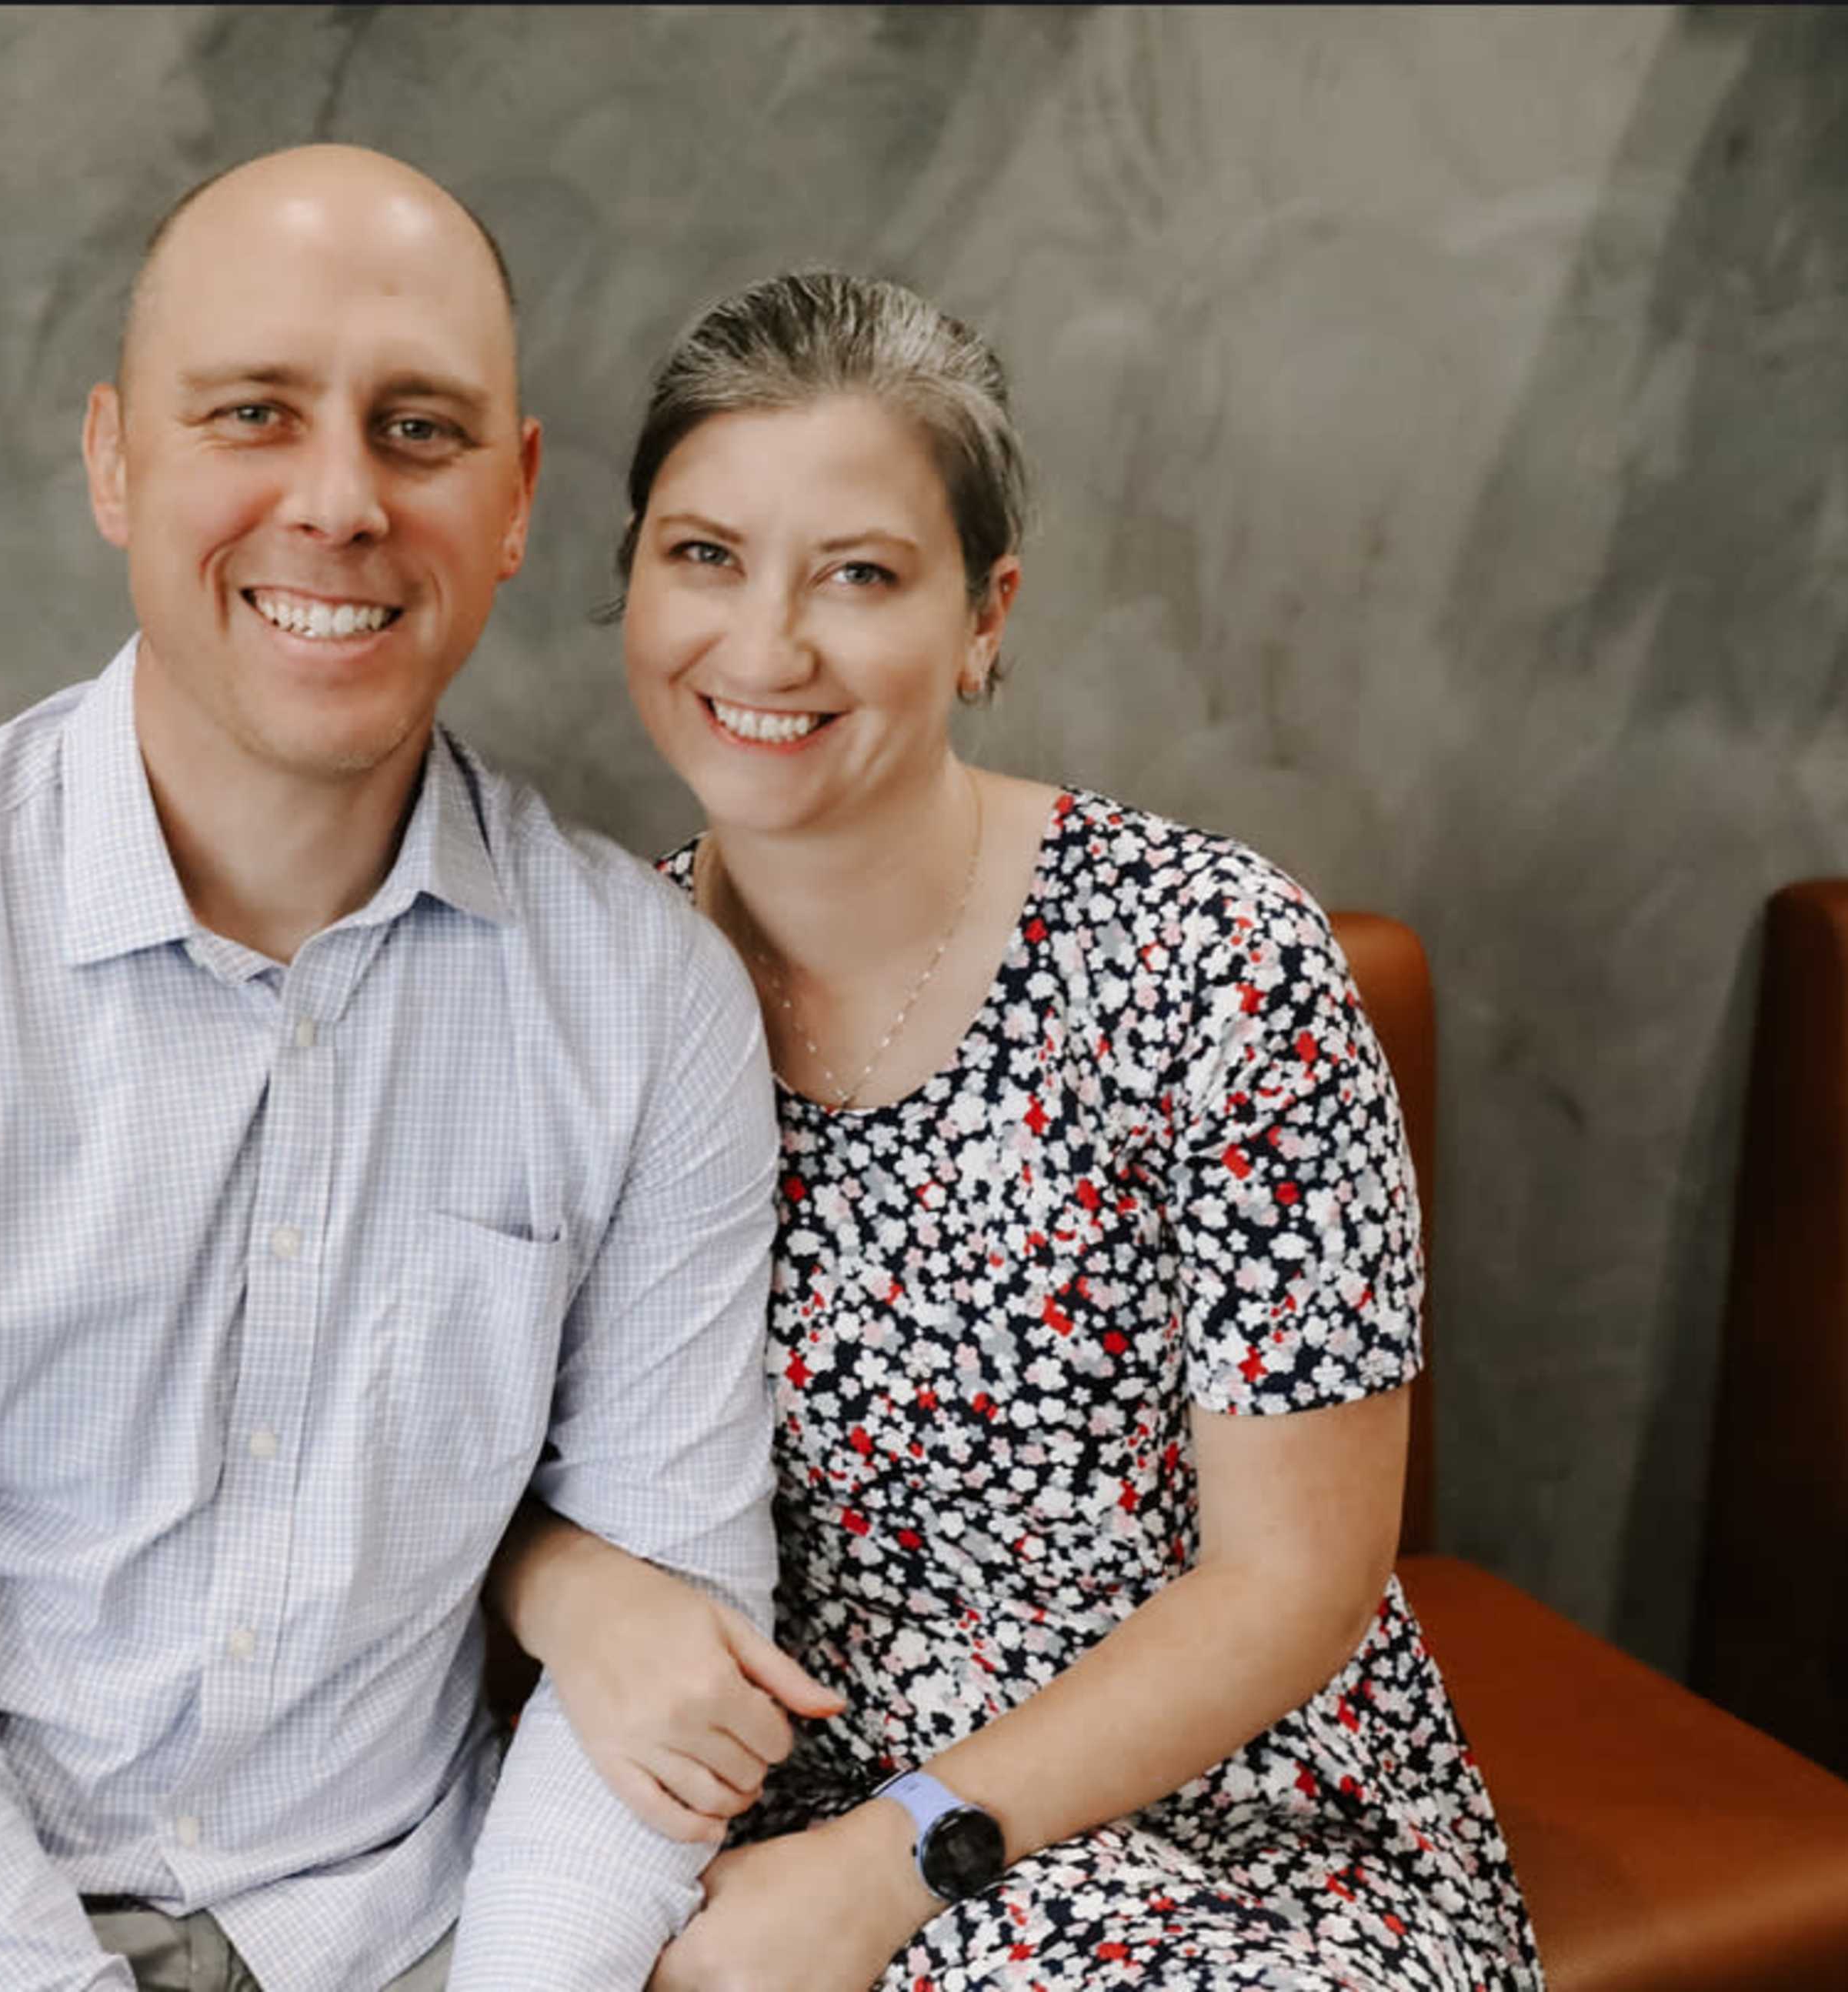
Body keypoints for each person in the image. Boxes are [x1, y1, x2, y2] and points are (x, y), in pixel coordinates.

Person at [0, 147, 806, 1992]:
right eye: (252, 412)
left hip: (405, 1918)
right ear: (115, 457)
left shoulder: (650, 1001)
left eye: (418, 429)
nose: (336, 501)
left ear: (514, 498)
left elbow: (665, 1641)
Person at [490, 272, 1544, 1990]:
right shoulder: (572, 995)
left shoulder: (1218, 963)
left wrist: (889, 1865)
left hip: (1226, 1817)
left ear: (986, 616)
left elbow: (1300, 1576)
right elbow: (404, 1450)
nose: (764, 646)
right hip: (736, 1811)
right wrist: (563, 1592)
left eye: (861, 573)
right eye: (704, 555)